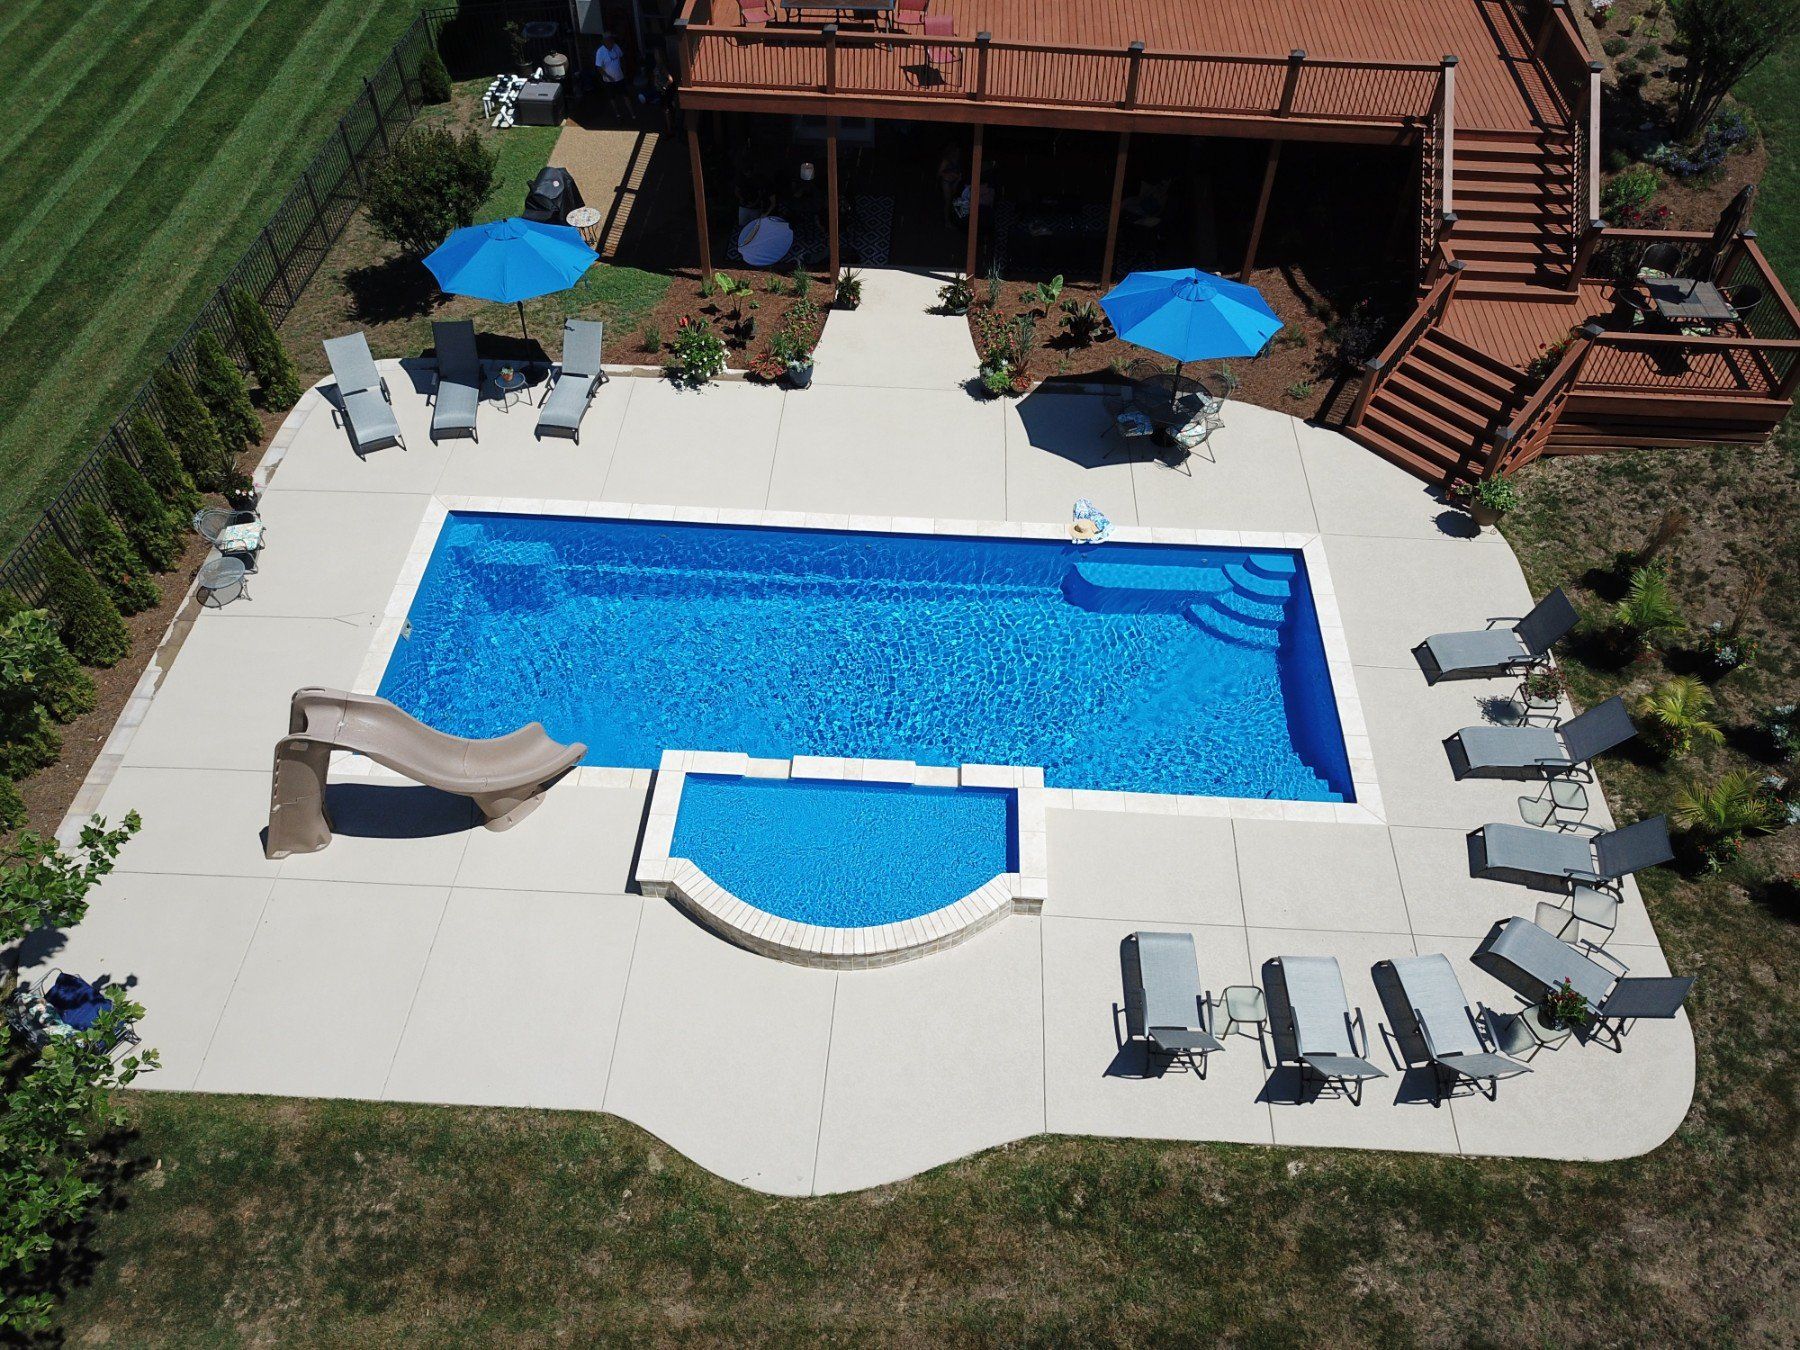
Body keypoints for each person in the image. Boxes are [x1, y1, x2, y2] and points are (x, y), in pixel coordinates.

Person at [594, 33, 629, 120]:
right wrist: (607, 76)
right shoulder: (600, 52)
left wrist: (624, 70)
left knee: (625, 95)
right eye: (609, 41)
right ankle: (618, 114)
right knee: (612, 97)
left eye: (612, 41)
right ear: (605, 42)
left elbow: (622, 57)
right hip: (609, 81)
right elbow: (598, 67)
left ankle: (631, 112)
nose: (611, 43)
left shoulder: (616, 47)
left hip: (620, 78)